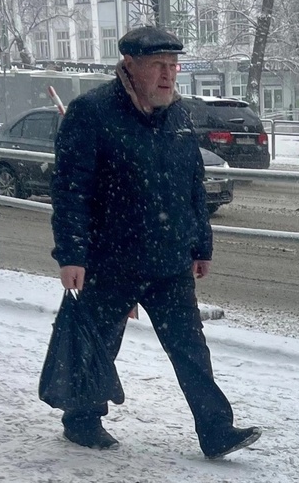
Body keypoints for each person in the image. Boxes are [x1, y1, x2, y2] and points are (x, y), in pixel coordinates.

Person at [49, 26, 260, 458]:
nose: (168, 75)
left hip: (169, 260)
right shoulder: (92, 112)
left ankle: (217, 430)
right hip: (112, 259)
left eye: (173, 66)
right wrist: (72, 255)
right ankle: (82, 420)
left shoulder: (178, 114)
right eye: (158, 66)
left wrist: (201, 245)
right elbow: (71, 189)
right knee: (101, 342)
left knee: (190, 349)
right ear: (130, 65)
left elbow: (192, 184)